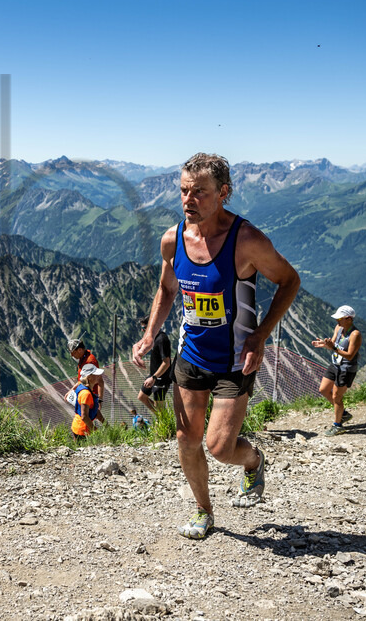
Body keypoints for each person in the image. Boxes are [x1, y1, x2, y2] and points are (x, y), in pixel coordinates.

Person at [132, 152, 300, 540]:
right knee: (186, 440)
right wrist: (149, 334)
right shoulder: (173, 240)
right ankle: (204, 511)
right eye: (184, 191)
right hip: (191, 355)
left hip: (235, 360)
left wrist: (260, 336)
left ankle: (253, 459)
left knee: (221, 447)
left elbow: (289, 281)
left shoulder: (247, 240)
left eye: (200, 193)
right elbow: (167, 288)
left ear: (224, 192)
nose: (189, 200)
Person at [312, 305, 362, 436]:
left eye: (340, 318)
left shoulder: (355, 334)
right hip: (335, 364)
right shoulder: (339, 328)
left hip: (346, 368)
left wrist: (333, 348)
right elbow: (333, 343)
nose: (337, 321)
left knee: (336, 396)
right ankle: (343, 413)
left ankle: (337, 425)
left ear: (349, 319)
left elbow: (350, 355)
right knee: (323, 389)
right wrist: (323, 344)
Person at [137, 317, 172, 414]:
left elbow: (166, 362)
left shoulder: (162, 339)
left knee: (159, 407)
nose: (142, 330)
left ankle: (163, 420)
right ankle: (160, 416)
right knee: (142, 397)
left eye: (144, 328)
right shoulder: (153, 338)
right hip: (153, 375)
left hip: (161, 378)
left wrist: (154, 377)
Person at [67, 338, 105, 424]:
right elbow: (82, 379)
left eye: (73, 352)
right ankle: (107, 428)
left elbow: (100, 381)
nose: (72, 355)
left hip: (91, 392)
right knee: (92, 413)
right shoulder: (83, 358)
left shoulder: (90, 361)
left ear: (80, 350)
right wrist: (72, 389)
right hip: (86, 390)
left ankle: (92, 431)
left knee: (86, 415)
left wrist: (100, 400)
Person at [70, 363, 105, 441]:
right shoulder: (86, 394)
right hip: (83, 430)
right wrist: (94, 430)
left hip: (79, 427)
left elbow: (94, 410)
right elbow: (84, 416)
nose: (99, 376)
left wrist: (105, 424)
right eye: (96, 374)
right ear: (89, 377)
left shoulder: (84, 387)